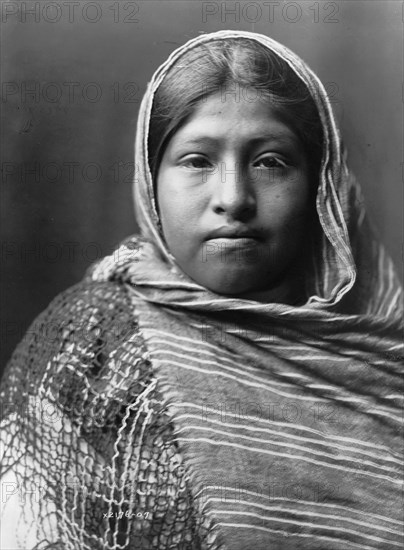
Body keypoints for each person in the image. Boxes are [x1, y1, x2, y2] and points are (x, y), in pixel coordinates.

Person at [1, 30, 403, 550]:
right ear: (152, 181)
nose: (233, 197)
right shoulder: (94, 347)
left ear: (323, 188)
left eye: (270, 162)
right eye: (196, 160)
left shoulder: (384, 363)